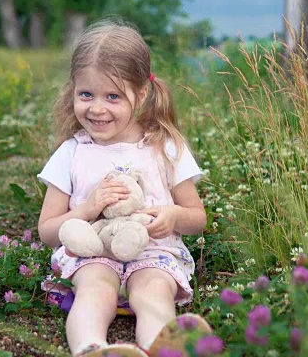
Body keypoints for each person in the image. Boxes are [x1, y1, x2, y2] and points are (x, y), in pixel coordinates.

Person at [37, 18, 209, 357]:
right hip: (94, 253)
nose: (97, 108)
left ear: (141, 94)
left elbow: (197, 218)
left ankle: (162, 348)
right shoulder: (72, 152)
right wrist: (86, 210)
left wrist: (173, 216)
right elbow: (47, 230)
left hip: (153, 252)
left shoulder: (165, 147)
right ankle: (90, 348)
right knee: (95, 289)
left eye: (113, 96)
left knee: (153, 292)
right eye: (86, 94)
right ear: (72, 89)